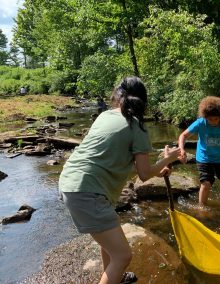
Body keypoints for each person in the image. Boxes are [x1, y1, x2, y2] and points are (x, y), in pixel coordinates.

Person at [59, 76, 181, 284]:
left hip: (71, 181)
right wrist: (168, 158)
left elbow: (117, 158)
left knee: (109, 241)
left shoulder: (105, 115)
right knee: (123, 256)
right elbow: (143, 174)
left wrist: (158, 170)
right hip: (89, 191)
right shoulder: (138, 127)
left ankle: (117, 277)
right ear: (143, 101)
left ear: (117, 95)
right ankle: (115, 273)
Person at [178, 96, 220, 207]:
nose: (213, 122)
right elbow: (183, 135)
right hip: (204, 158)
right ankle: (201, 208)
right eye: (210, 119)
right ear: (205, 116)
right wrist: (182, 149)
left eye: (216, 119)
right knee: (206, 183)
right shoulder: (200, 123)